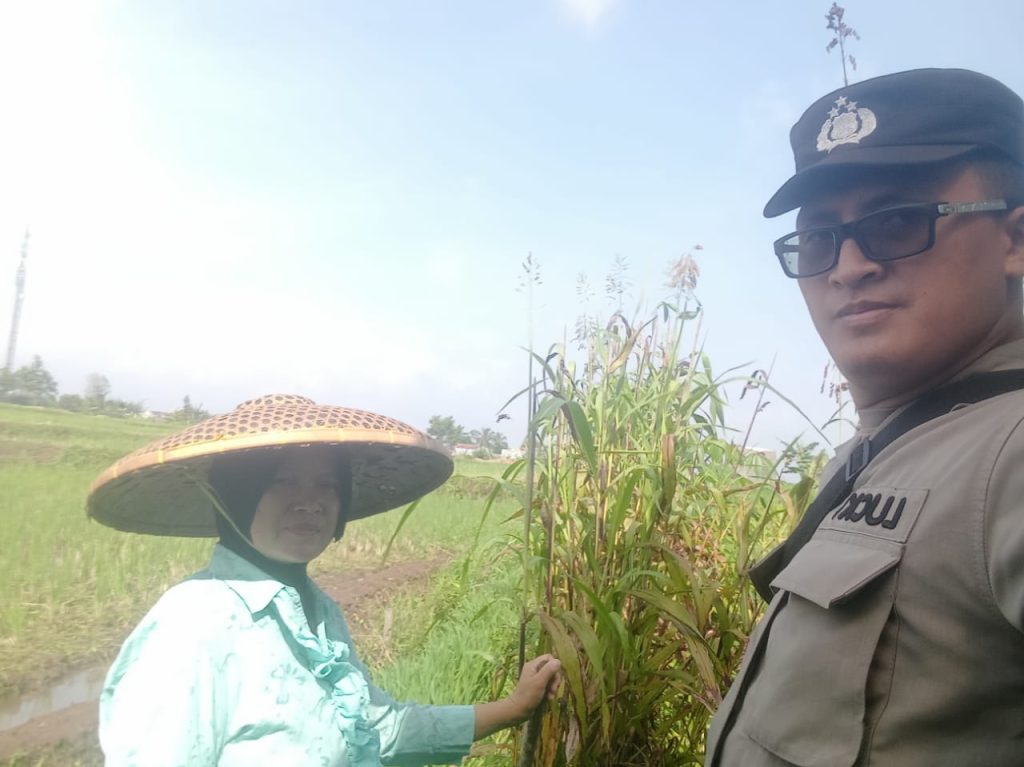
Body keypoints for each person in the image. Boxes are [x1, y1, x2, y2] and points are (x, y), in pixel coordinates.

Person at [705, 68, 1024, 766]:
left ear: (1014, 239)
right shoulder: (876, 449)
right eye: (819, 239)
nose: (848, 267)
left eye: (896, 222)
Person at [88, 393, 560, 766]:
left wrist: (513, 708)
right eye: (283, 480)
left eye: (328, 485)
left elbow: (375, 733)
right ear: (237, 493)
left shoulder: (316, 609)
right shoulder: (193, 627)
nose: (310, 502)